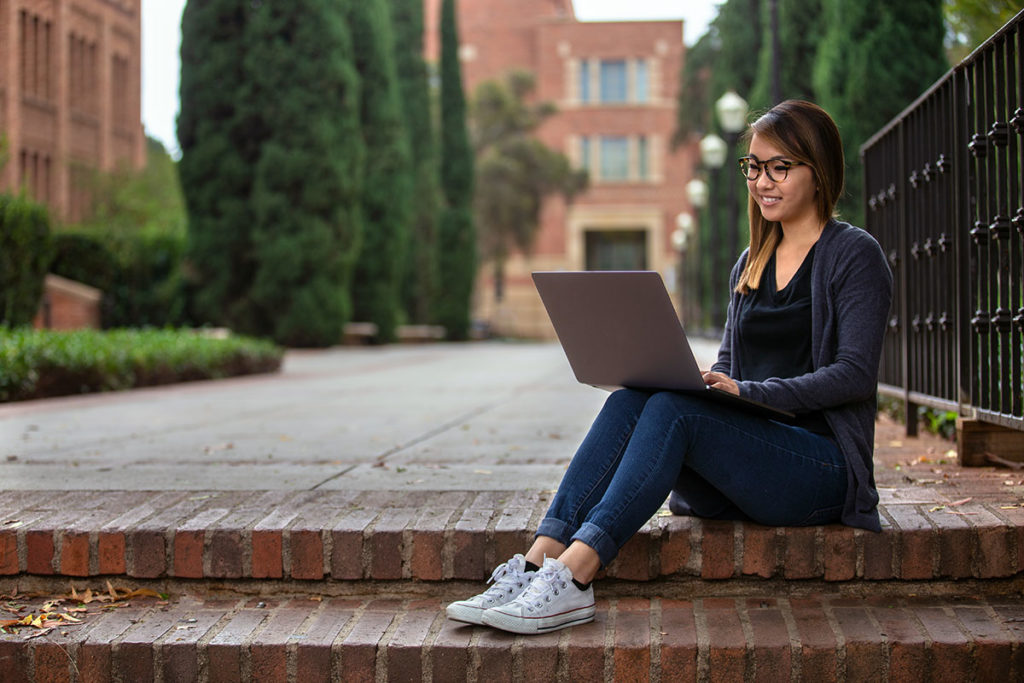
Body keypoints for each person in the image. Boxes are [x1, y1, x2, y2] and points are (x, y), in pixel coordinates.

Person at [446, 100, 893, 635]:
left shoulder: (853, 254)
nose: (761, 182)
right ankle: (538, 562)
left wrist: (749, 393)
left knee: (674, 411)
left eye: (780, 167)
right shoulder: (750, 263)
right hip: (747, 465)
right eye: (753, 166)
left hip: (819, 469)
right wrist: (708, 381)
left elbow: (854, 375)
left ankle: (577, 576)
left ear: (818, 171)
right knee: (634, 398)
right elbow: (730, 364)